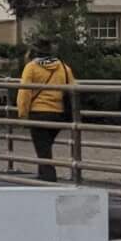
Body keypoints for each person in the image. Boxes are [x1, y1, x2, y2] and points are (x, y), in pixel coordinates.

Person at [16, 38, 75, 183]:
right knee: (45, 146)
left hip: (39, 112)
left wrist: (22, 113)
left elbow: (25, 92)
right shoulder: (63, 67)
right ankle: (42, 173)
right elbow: (73, 89)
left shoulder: (31, 67)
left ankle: (48, 178)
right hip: (59, 113)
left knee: (43, 149)